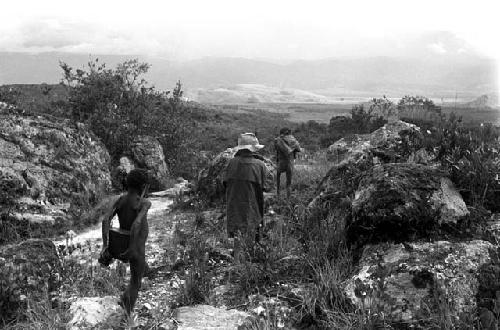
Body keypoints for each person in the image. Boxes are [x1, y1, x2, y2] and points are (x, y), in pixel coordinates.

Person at [99, 169, 151, 320]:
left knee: (136, 277)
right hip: (136, 249)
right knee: (136, 282)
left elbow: (105, 220)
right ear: (144, 187)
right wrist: (132, 248)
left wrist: (105, 245)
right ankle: (126, 318)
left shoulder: (120, 200)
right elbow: (136, 225)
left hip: (120, 247)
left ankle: (123, 300)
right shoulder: (144, 203)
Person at [223, 133, 268, 257]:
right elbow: (265, 186)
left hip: (234, 203)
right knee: (253, 225)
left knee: (237, 229)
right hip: (253, 203)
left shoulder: (231, 163)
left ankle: (237, 257)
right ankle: (251, 255)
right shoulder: (260, 165)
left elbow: (225, 183)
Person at [274, 127, 301, 198]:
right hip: (290, 162)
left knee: (278, 179)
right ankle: (288, 199)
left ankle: (278, 195)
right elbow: (298, 149)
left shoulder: (278, 140)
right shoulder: (293, 139)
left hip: (281, 161)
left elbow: (276, 149)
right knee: (289, 183)